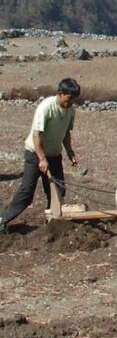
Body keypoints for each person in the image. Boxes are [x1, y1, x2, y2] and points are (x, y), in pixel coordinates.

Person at [0, 78, 81, 233]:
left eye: (74, 99)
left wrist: (70, 152)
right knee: (27, 192)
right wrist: (42, 159)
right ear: (60, 93)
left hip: (54, 155)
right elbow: (37, 135)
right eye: (69, 98)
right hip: (35, 154)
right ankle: (3, 219)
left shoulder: (70, 110)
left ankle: (51, 223)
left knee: (58, 190)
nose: (71, 102)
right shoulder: (46, 108)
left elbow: (66, 133)